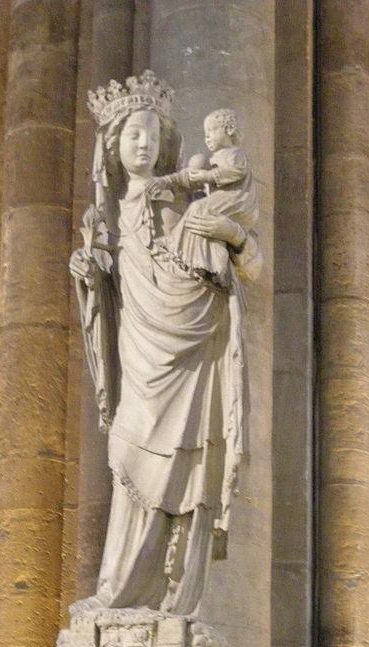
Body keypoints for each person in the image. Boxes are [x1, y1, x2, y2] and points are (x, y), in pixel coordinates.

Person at [70, 72, 262, 615]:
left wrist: (236, 238)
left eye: (153, 135)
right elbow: (106, 289)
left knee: (189, 463)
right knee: (128, 450)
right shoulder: (103, 216)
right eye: (133, 134)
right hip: (141, 353)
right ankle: (119, 592)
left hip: (195, 345)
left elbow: (248, 265)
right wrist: (90, 274)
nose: (144, 144)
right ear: (114, 145)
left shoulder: (185, 201)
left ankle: (175, 601)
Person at [149, 108, 259, 287]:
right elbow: (188, 177)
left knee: (198, 208)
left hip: (237, 201)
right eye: (205, 133)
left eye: (212, 131)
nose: (207, 137)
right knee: (201, 214)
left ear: (229, 130)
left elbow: (234, 172)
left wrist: (234, 234)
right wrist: (165, 181)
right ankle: (203, 263)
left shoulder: (233, 154)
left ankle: (180, 248)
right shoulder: (215, 159)